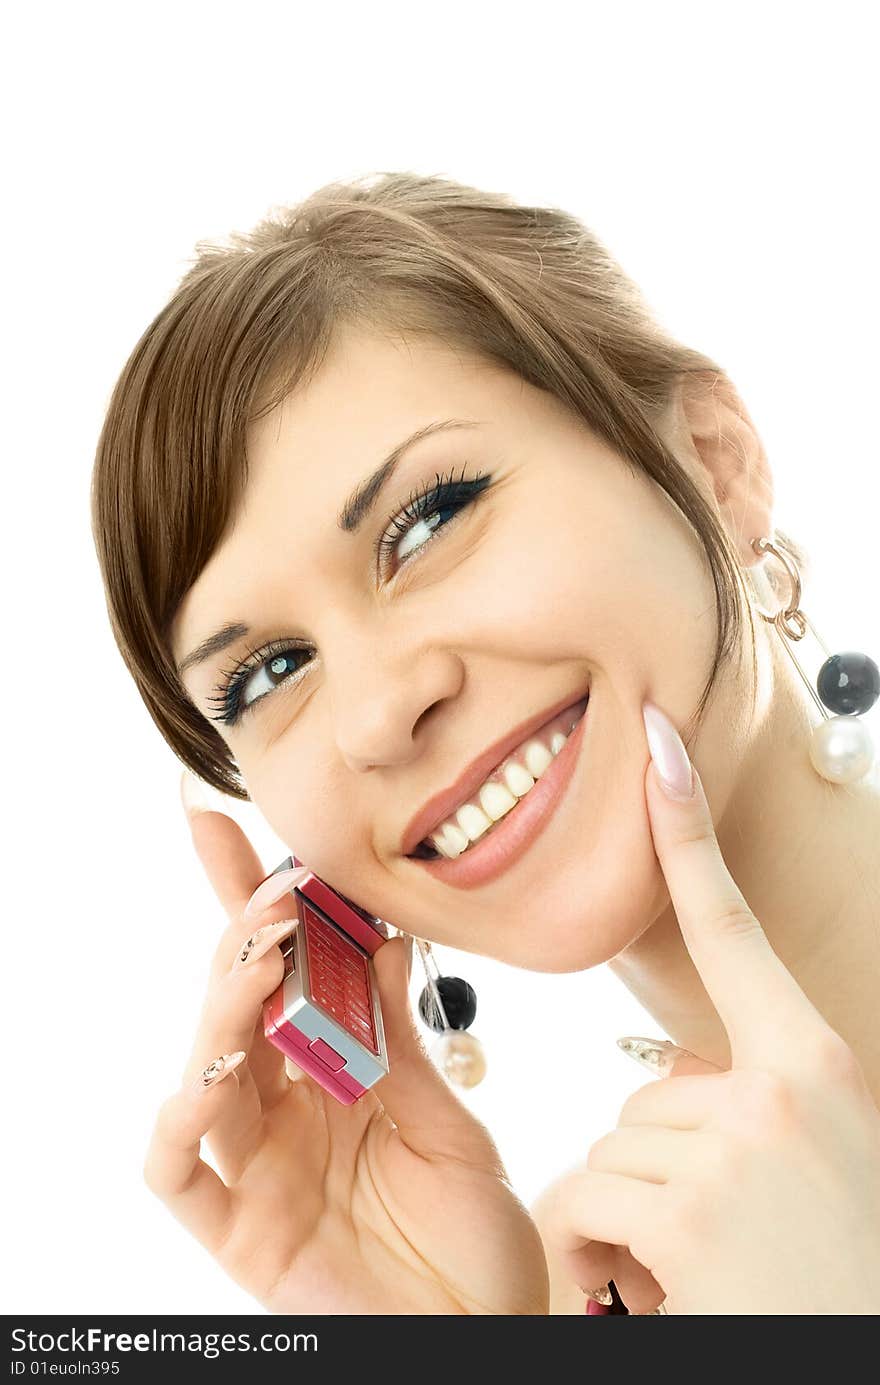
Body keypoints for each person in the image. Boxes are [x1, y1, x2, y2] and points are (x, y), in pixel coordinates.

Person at [90, 172, 880, 1314]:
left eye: (427, 521)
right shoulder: (596, 1283)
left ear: (713, 462)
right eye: (269, 671)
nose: (374, 714)